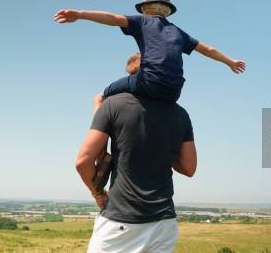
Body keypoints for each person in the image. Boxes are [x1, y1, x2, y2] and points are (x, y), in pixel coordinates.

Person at [54, 0, 246, 107]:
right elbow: (208, 50)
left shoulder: (141, 22)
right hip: (174, 91)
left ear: (145, 9)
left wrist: (80, 14)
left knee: (100, 96)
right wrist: (231, 62)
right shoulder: (179, 32)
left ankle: (100, 146)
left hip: (148, 82)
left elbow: (112, 18)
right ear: (167, 11)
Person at [75, 91, 197, 253]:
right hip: (164, 224)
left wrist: (98, 194)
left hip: (120, 221)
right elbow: (189, 167)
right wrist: (162, 145)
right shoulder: (180, 113)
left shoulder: (114, 104)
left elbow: (83, 162)